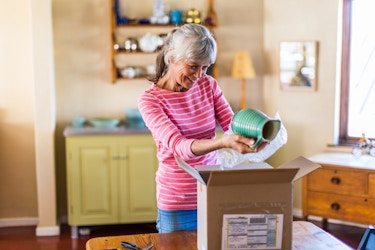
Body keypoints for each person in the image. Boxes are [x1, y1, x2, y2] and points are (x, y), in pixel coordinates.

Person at [138, 23, 267, 233]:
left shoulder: (209, 85)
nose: (199, 75)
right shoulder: (150, 100)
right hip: (177, 201)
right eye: (193, 66)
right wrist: (222, 142)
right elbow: (179, 147)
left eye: (205, 67)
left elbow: (232, 124)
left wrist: (256, 134)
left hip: (211, 192)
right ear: (172, 57)